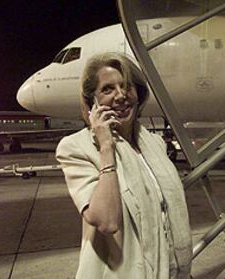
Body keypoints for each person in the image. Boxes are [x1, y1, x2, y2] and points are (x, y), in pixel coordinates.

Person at [56, 52, 192, 279]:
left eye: (127, 86)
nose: (120, 96)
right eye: (107, 89)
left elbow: (166, 213)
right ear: (92, 101)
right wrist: (106, 146)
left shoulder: (154, 144)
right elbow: (107, 221)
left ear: (138, 93)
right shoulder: (77, 147)